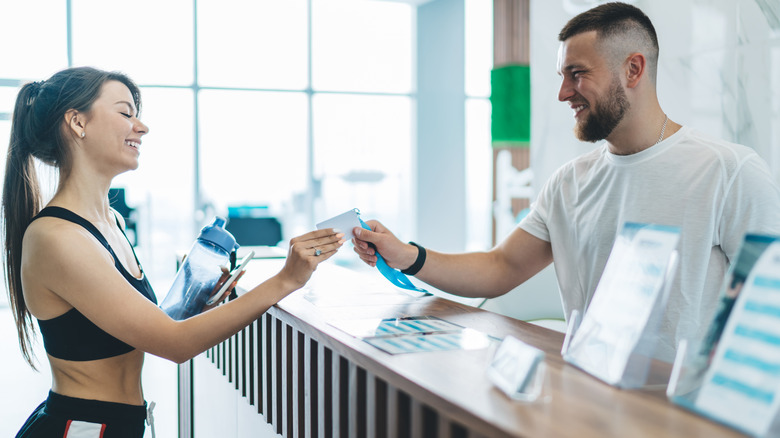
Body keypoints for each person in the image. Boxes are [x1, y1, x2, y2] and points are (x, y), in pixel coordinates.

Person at [353, 2, 780, 362]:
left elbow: (769, 308)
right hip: (586, 402)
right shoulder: (570, 183)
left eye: (576, 74)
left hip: (684, 418)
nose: (562, 93)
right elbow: (500, 268)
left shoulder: (730, 172)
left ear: (633, 70)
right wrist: (407, 254)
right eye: (562, 75)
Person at [2, 66, 344, 437]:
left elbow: (146, 326)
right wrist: (286, 279)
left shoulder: (111, 221)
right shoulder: (56, 236)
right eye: (125, 113)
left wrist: (200, 304)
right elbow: (175, 344)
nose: (142, 127)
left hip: (118, 424)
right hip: (83, 427)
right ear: (77, 122)